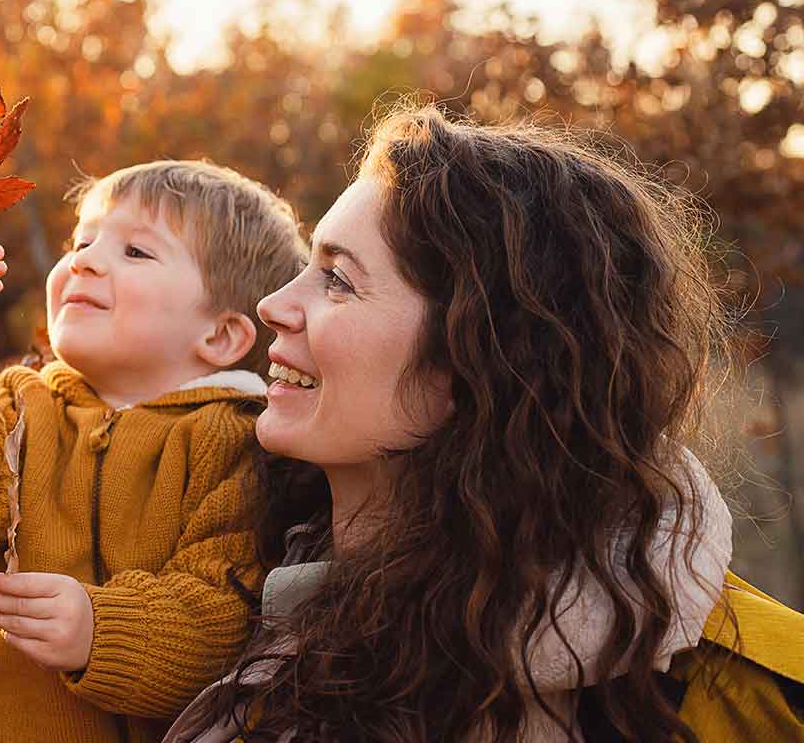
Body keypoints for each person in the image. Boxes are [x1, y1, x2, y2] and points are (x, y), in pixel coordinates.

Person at [165, 105, 803, 742]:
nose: (273, 305)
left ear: (479, 359)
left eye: (337, 280)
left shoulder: (752, 701)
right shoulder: (202, 581)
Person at [0, 160, 308, 741]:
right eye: (82, 241)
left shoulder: (238, 442)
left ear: (220, 336)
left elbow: (225, 614)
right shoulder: (24, 407)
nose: (84, 260)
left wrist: (100, 631)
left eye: (136, 253)